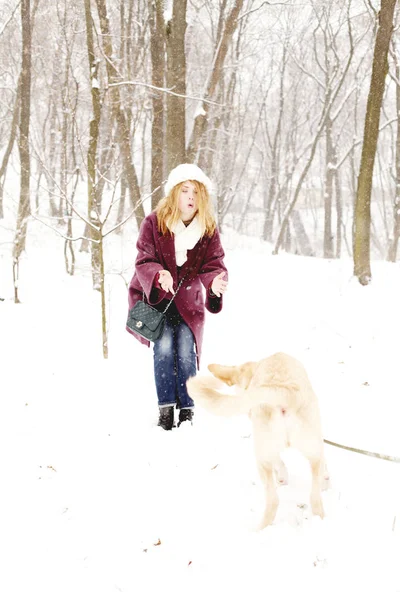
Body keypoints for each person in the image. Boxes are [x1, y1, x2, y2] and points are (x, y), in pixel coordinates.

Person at [127, 163, 228, 430]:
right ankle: (165, 411)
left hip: (188, 304)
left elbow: (214, 264)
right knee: (163, 348)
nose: (191, 197)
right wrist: (159, 273)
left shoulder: (207, 228)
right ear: (174, 193)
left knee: (185, 350)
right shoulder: (154, 223)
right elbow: (143, 258)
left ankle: (187, 411)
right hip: (159, 302)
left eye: (196, 192)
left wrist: (215, 282)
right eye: (185, 191)